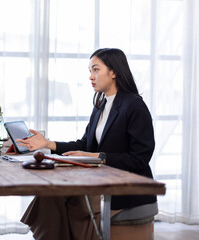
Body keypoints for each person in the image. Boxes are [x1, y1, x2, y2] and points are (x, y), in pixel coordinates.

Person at [17, 48, 157, 240]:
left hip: (124, 191)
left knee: (56, 199)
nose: (91, 77)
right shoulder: (101, 106)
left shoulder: (134, 106)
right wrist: (48, 144)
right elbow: (85, 144)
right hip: (100, 183)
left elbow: (140, 158)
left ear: (114, 72)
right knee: (49, 195)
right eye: (90, 71)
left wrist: (99, 157)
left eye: (96, 70)